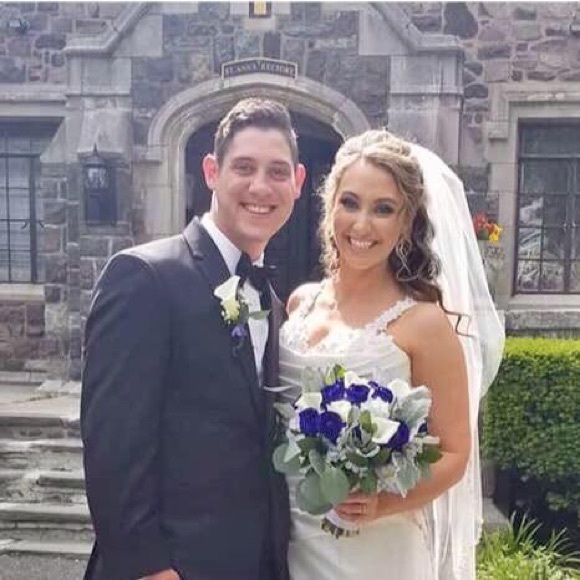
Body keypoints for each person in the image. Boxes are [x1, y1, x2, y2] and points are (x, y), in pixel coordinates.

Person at [81, 98, 306, 580]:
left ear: (298, 183)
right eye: (243, 167)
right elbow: (113, 448)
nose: (260, 186)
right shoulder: (143, 276)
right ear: (211, 171)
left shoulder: (272, 300)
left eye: (277, 171)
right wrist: (150, 568)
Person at [278, 130, 504, 579]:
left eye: (383, 209)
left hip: (376, 547)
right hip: (289, 537)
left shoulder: (425, 323)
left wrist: (381, 502)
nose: (362, 225)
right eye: (350, 203)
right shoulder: (299, 302)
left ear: (406, 222)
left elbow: (455, 453)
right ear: (330, 206)